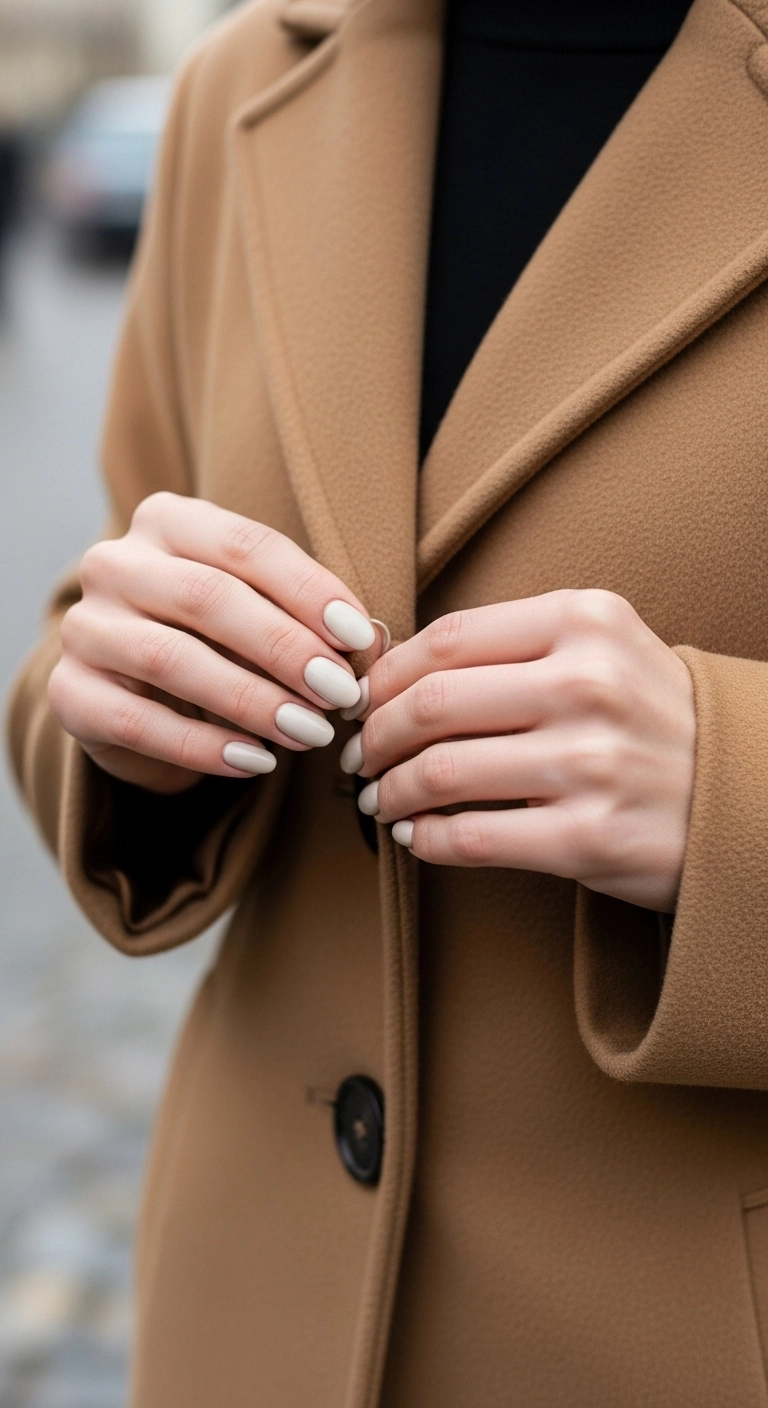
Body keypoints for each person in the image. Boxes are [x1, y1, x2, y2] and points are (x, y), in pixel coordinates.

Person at [9, 0, 768, 1400]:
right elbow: (115, 585)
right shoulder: (247, 79)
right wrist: (114, 702)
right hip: (251, 1310)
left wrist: (727, 796)